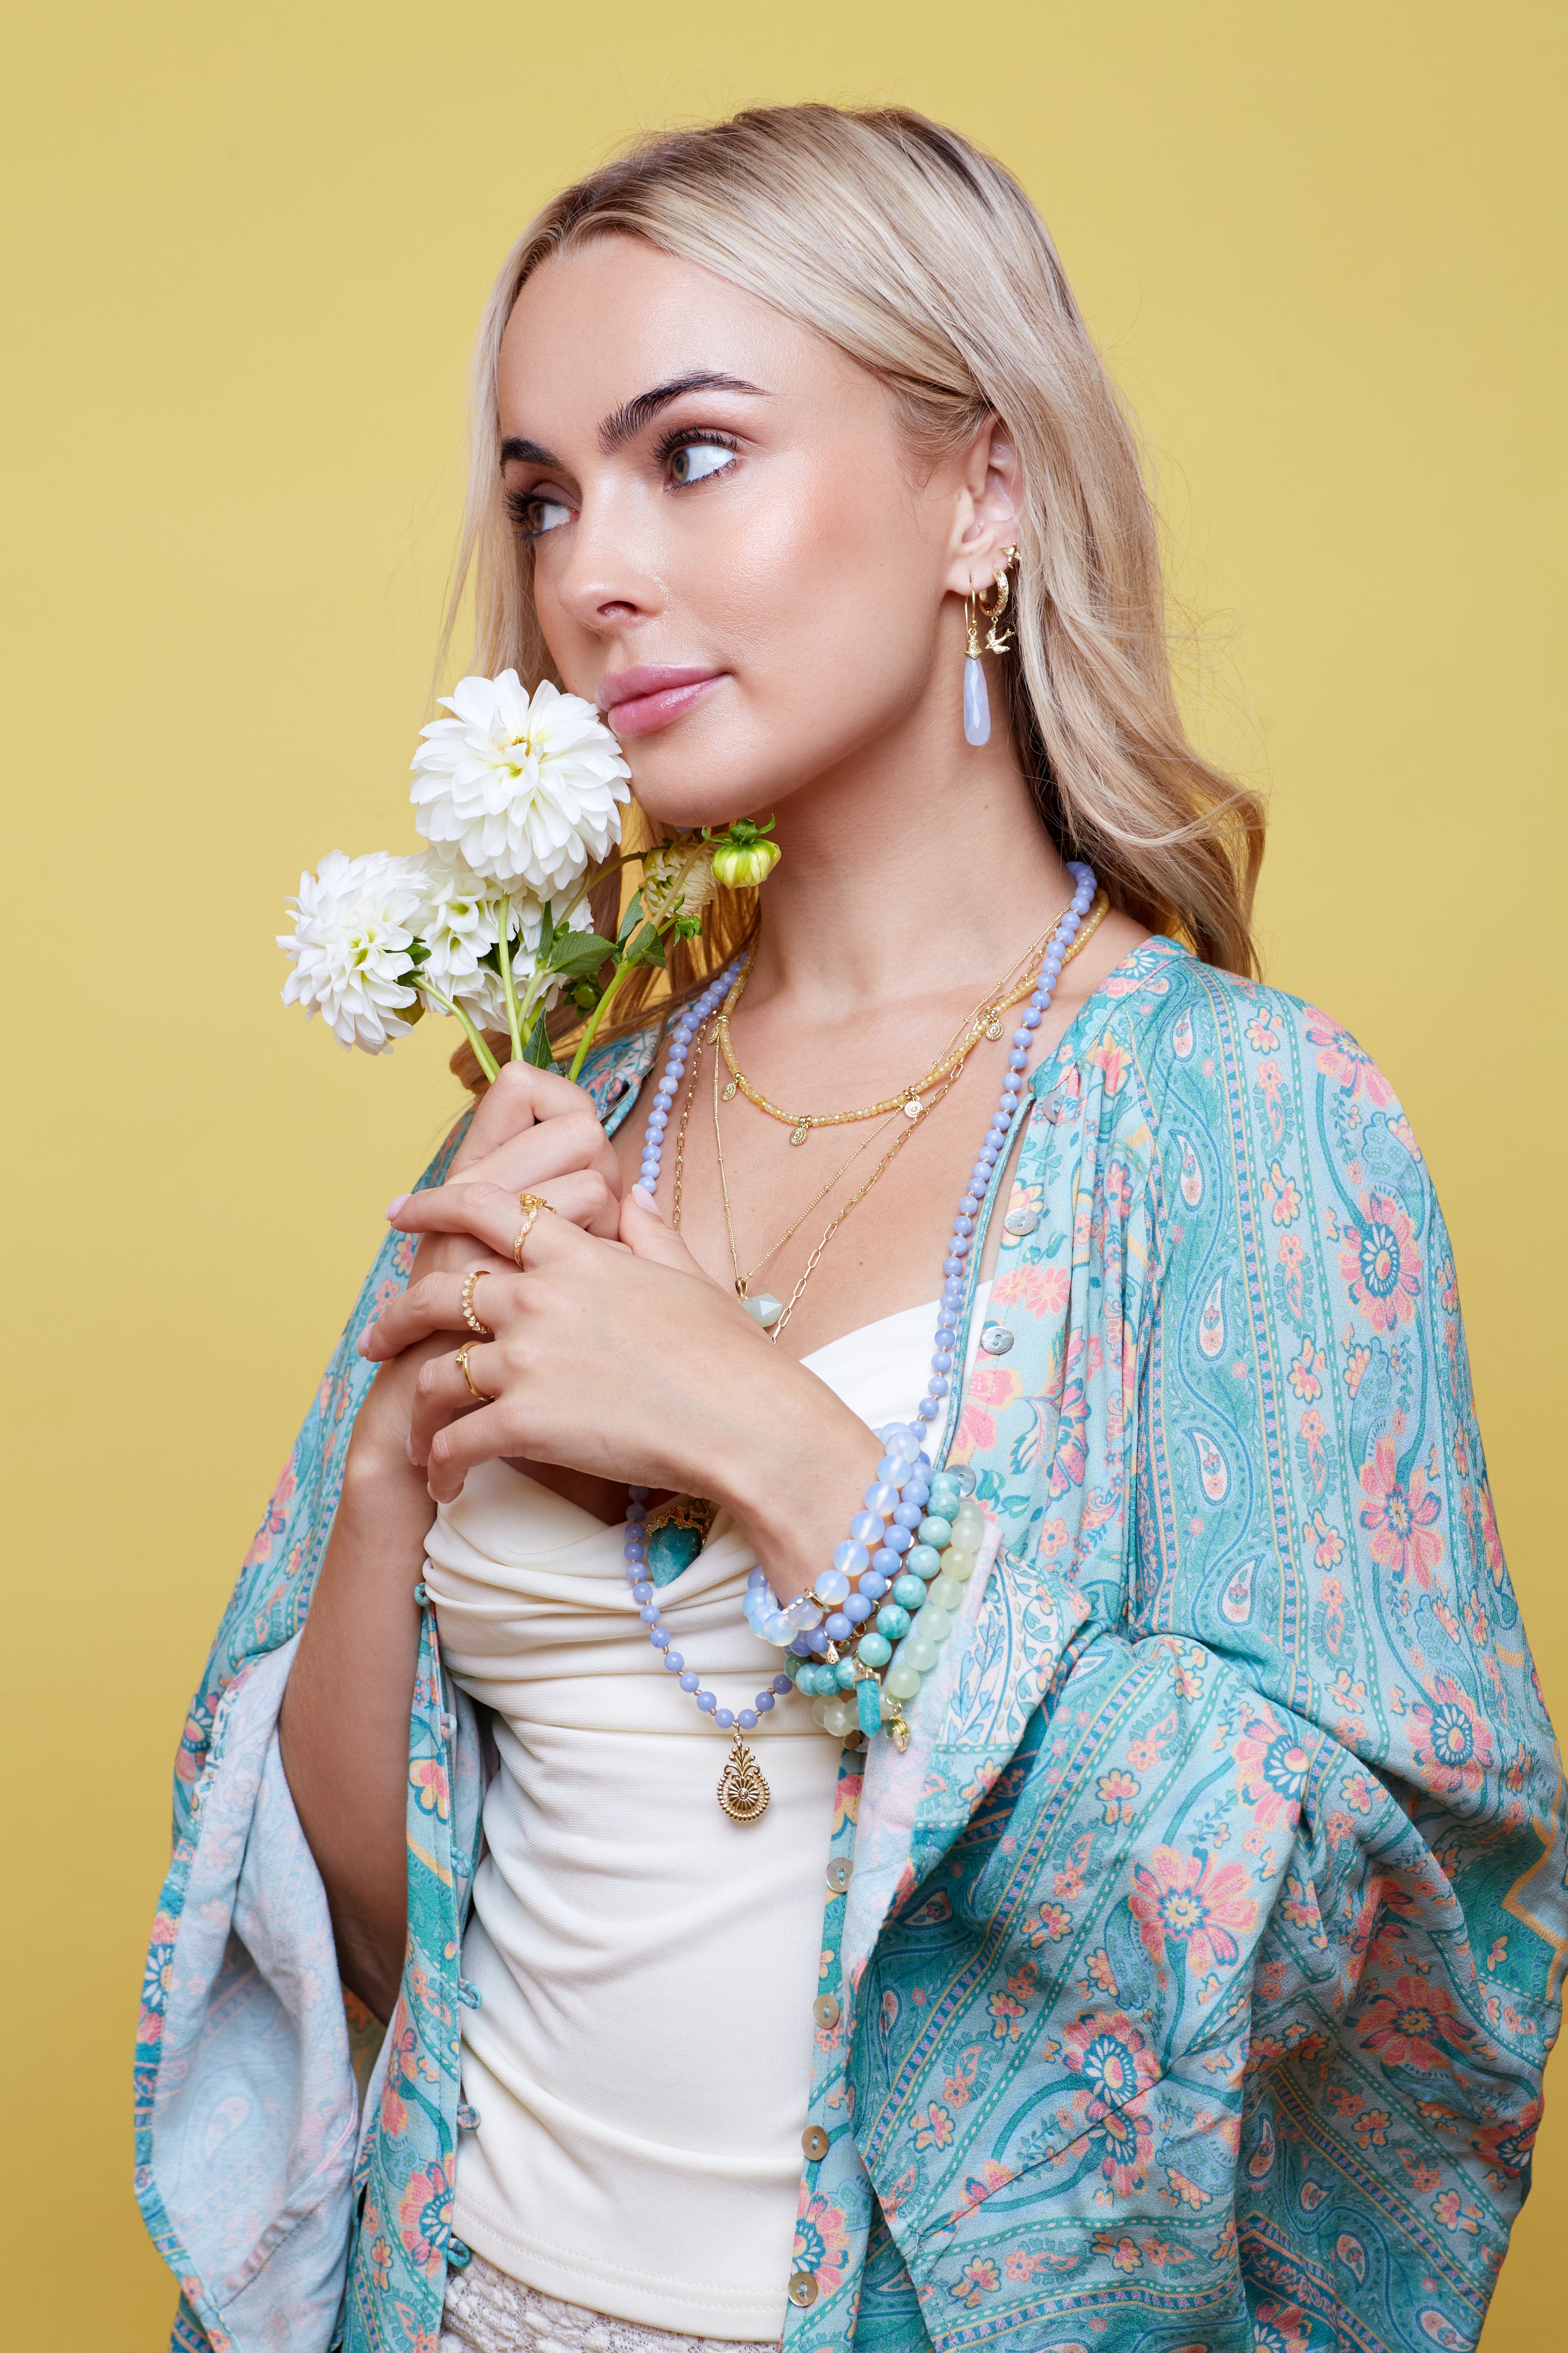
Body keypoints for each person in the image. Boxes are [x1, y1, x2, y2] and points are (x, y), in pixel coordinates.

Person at [135, 104, 1563, 2353]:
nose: (589, 573)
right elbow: (370, 1921)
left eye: (687, 453)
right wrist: (406, 1458)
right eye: (542, 496)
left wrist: (794, 1462)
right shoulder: (578, 1109)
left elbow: (1362, 1962)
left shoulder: (1244, 1128)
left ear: (979, 491)